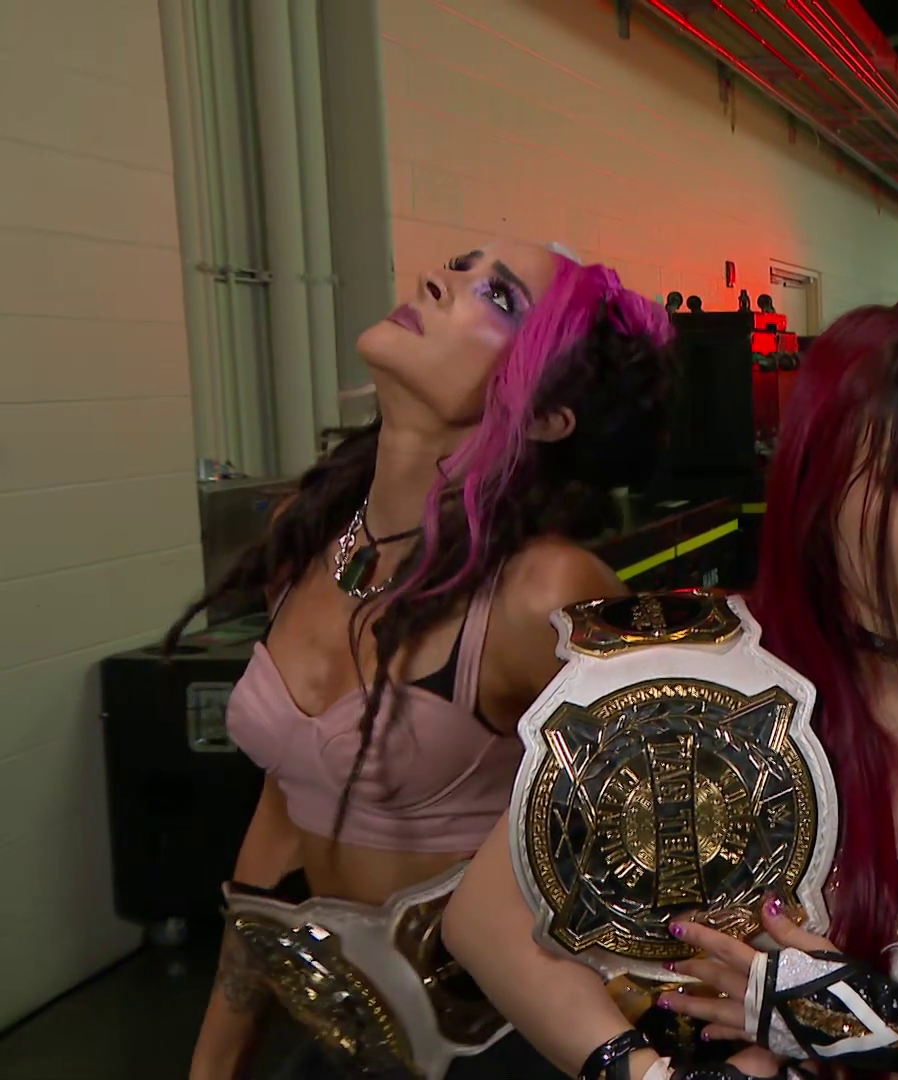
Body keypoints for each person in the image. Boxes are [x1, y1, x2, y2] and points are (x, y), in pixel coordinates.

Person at [443, 301, 898, 1079]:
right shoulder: (709, 679)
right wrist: (647, 1074)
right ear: (819, 485)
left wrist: (883, 1026)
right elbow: (485, 918)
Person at [174, 240, 673, 1079]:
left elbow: (672, 848)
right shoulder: (309, 532)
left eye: (499, 298)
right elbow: (284, 809)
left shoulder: (545, 591)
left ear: (548, 415)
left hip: (506, 1051)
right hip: (346, 1044)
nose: (438, 280)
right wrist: (213, 1066)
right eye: (459, 266)